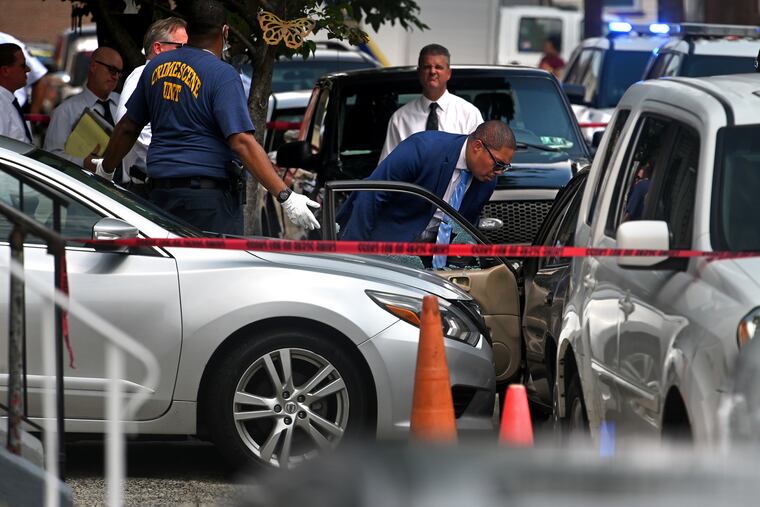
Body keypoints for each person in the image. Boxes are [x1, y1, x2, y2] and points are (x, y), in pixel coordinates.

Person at [96, 0, 319, 235]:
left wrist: (106, 170)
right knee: (216, 270)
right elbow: (241, 141)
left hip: (160, 197)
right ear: (225, 31)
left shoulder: (155, 68)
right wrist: (285, 195)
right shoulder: (222, 74)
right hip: (209, 203)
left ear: (188, 31)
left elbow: (128, 127)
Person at [338, 120, 516, 252]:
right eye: (498, 164)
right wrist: (353, 252)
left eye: (505, 167)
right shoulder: (423, 149)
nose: (499, 172)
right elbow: (371, 195)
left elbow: (466, 229)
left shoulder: (487, 181)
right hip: (384, 246)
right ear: (477, 146)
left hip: (434, 262)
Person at [115, 17, 188, 192]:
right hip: (145, 187)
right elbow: (128, 126)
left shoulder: (174, 78)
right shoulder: (142, 74)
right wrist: (172, 158)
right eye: (180, 47)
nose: (186, 54)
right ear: (158, 48)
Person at [379, 43, 483, 162]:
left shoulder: (469, 114)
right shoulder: (400, 118)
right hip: (410, 181)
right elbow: (387, 167)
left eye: (438, 67)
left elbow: (480, 162)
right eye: (427, 67)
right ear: (419, 72)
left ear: (449, 73)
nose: (432, 71)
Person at [44, 47, 123, 173]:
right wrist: (84, 162)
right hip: (85, 185)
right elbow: (52, 156)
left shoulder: (123, 103)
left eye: (119, 73)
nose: (115, 77)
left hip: (125, 185)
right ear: (93, 66)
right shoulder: (66, 110)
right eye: (111, 70)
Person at [0, 32, 48, 114]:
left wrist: (33, 116)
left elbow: (39, 78)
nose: (27, 69)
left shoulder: (7, 41)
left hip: (17, 109)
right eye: (22, 66)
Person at [0, 43, 33, 142]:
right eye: (22, 65)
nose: (28, 69)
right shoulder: (1, 104)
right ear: (5, 70)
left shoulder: (6, 101)